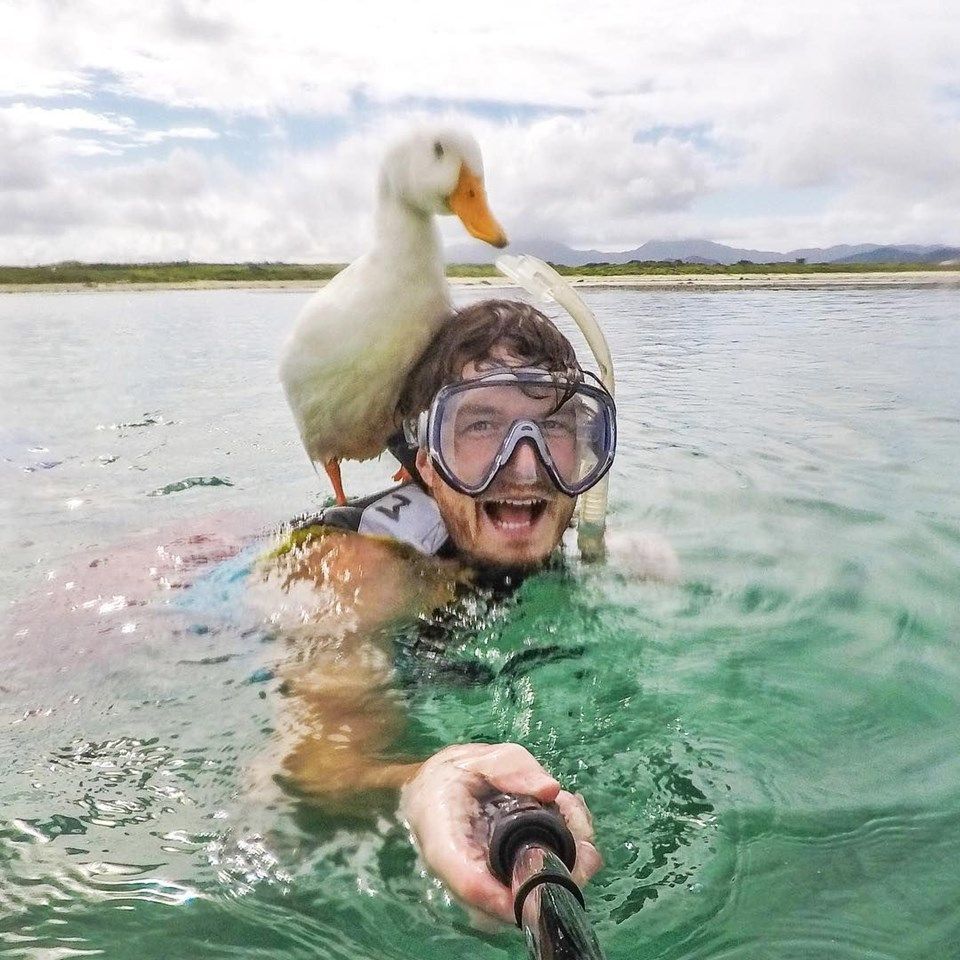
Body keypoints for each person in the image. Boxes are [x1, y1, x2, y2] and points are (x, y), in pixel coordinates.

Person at [251, 299, 619, 925]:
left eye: (552, 425)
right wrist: (425, 779)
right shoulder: (360, 572)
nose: (526, 466)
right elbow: (307, 768)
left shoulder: (564, 547)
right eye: (480, 425)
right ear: (426, 460)